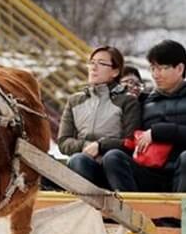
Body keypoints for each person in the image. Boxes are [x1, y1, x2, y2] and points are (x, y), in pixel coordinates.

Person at [101, 39, 186, 201]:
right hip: (153, 171)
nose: (155, 74)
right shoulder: (147, 101)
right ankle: (131, 211)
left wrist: (157, 132)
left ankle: (178, 214)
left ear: (180, 68)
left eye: (162, 68)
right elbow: (131, 138)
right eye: (152, 68)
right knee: (113, 157)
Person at [59, 45, 141, 189]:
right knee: (78, 160)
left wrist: (100, 146)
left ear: (115, 71)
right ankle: (84, 203)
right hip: (85, 165)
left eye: (101, 63)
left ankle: (124, 202)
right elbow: (63, 142)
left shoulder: (128, 101)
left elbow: (130, 142)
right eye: (92, 63)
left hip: (115, 167)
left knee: (112, 157)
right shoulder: (74, 101)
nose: (93, 67)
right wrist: (85, 146)